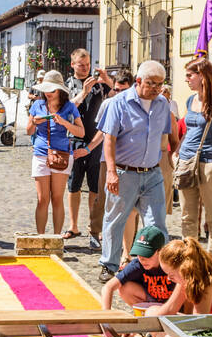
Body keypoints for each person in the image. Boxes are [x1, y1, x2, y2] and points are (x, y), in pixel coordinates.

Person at [97, 61, 173, 282]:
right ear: (138, 81)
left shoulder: (162, 105)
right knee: (115, 220)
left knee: (156, 222)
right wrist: (111, 172)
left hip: (152, 173)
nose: (156, 89)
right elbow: (108, 140)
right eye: (151, 83)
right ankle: (109, 265)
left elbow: (166, 136)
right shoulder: (118, 103)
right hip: (124, 172)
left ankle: (160, 266)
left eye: (160, 84)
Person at [176, 57, 212, 259]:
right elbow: (187, 130)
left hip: (210, 162)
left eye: (189, 75)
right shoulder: (189, 100)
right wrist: (177, 154)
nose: (186, 80)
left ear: (202, 76)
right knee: (187, 216)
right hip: (186, 161)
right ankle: (191, 260)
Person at [26, 70, 84, 236]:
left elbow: (81, 132)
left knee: (57, 198)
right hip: (40, 153)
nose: (47, 94)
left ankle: (57, 239)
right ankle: (41, 237)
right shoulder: (37, 105)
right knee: (42, 199)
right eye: (45, 90)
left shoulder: (69, 107)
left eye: (51, 90)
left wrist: (64, 122)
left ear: (59, 90)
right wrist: (38, 121)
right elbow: (29, 131)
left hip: (62, 154)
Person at [150, 237, 212, 327]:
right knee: (152, 311)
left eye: (171, 275)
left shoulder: (205, 281)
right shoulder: (188, 276)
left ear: (183, 269)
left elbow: (197, 325)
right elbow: (169, 309)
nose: (168, 278)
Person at [65, 50, 111, 247]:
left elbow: (118, 95)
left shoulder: (100, 85)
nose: (85, 68)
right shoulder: (67, 85)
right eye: (81, 64)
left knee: (95, 186)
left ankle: (95, 227)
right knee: (74, 185)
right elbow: (67, 107)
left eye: (87, 64)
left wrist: (107, 79)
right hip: (74, 140)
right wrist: (83, 92)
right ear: (73, 65)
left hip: (96, 140)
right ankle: (73, 225)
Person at [99, 226, 176, 311]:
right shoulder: (137, 265)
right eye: (139, 254)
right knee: (124, 287)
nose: (142, 259)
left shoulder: (172, 264)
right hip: (152, 301)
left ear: (160, 251)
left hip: (175, 301)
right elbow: (108, 287)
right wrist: (106, 317)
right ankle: (146, 313)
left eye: (147, 254)